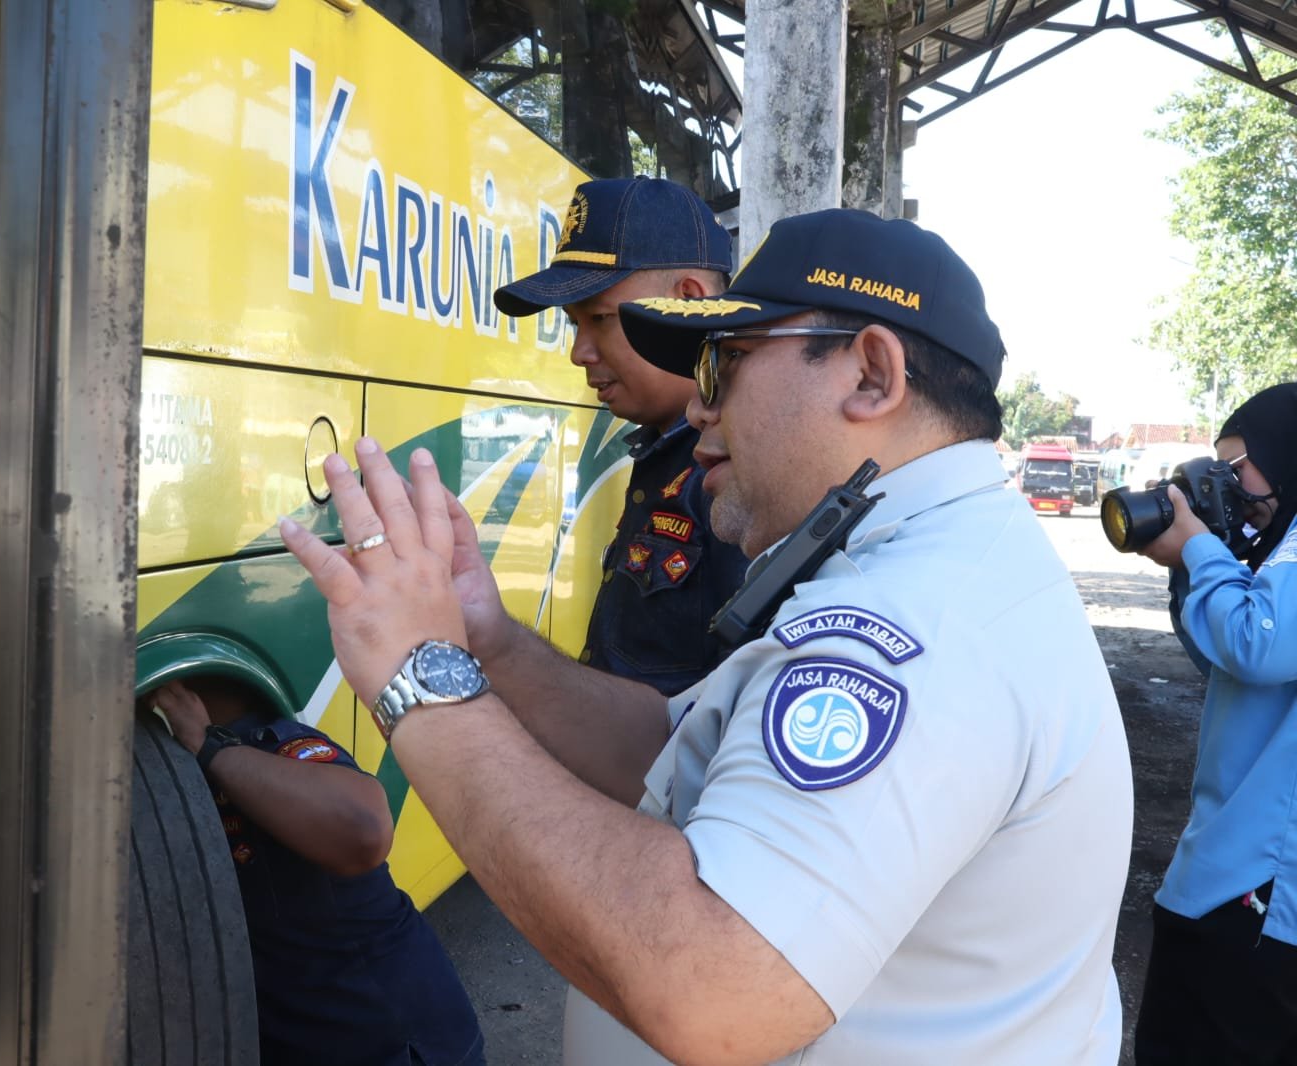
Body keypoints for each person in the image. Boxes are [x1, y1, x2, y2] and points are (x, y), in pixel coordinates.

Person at [279, 208, 1132, 1065]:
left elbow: (714, 988)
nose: (696, 405)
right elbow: (673, 751)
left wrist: (422, 686)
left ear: (872, 375)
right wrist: (486, 638)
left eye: (723, 367)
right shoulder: (930, 562)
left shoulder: (911, 623)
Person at [493, 176, 749, 694]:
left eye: (602, 319)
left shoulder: (743, 471)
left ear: (691, 302)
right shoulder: (664, 448)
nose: (579, 352)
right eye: (574, 325)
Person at [147, 675, 485, 1066]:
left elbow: (365, 829)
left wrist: (211, 748)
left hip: (394, 1043)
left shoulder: (271, 744)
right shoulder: (175, 782)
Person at [1133, 382, 1297, 1065]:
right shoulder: (1279, 548)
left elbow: (1260, 645)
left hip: (1253, 887)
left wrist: (1203, 552)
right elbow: (1222, 659)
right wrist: (1199, 564)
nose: (1227, 489)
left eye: (1235, 472)